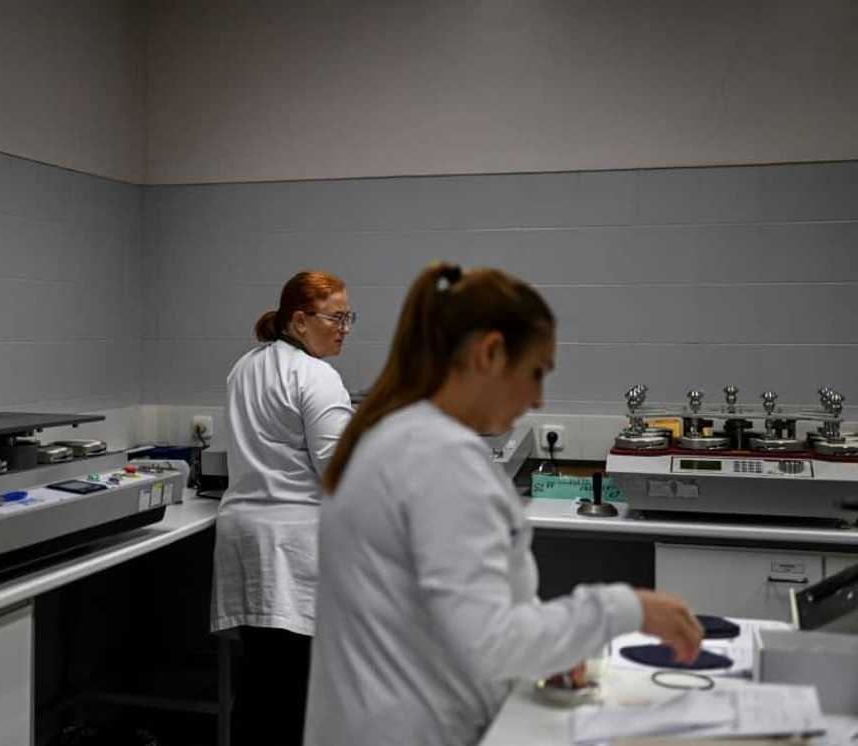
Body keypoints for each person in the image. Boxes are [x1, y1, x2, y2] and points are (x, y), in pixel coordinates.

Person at [304, 263, 703, 746]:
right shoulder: (439, 455)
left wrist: (550, 651)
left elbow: (446, 618)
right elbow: (489, 641)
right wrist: (623, 608)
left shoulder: (394, 436)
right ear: (490, 353)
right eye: (536, 372)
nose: (537, 398)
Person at [211, 270, 356, 746]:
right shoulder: (318, 376)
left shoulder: (244, 366)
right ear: (299, 321)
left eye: (348, 317)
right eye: (336, 317)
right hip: (296, 548)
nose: (345, 328)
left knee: (261, 687)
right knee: (298, 694)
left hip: (246, 538)